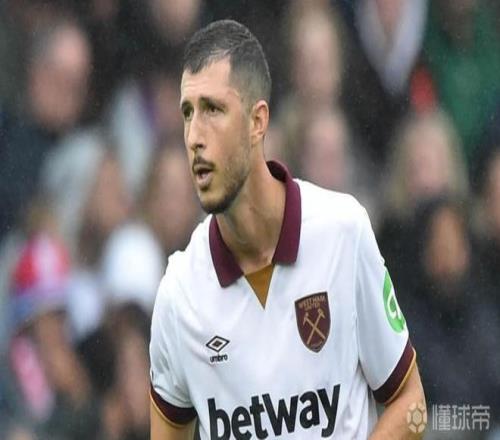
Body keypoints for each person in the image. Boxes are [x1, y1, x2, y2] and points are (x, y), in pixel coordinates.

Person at [149, 20, 425, 439]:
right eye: (187, 113)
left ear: (257, 121)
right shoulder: (178, 294)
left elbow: (411, 404)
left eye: (213, 110)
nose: (194, 137)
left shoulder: (342, 232)